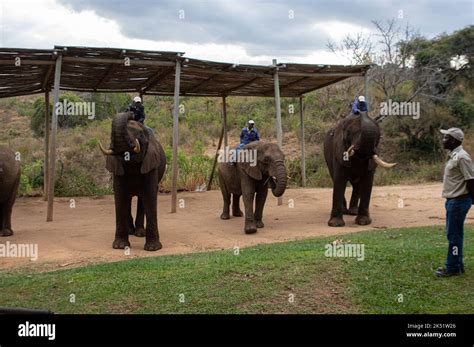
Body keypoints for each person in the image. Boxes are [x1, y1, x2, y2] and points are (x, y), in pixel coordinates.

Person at [436, 127, 474, 277]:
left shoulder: (462, 157)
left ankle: (452, 267)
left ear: (453, 140)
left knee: (453, 236)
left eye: (446, 137)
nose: (443, 140)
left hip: (458, 201)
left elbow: (471, 180)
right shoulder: (454, 155)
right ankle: (457, 265)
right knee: (455, 234)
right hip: (453, 201)